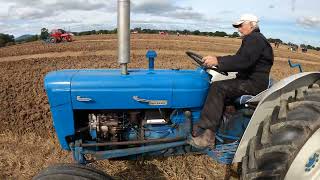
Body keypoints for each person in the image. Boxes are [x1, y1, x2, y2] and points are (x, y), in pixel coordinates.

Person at [188, 14, 274, 148]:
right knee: (220, 84)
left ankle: (208, 135)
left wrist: (218, 61)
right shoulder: (254, 39)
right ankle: (226, 123)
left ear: (252, 24)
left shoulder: (255, 39)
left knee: (218, 87)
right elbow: (239, 58)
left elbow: (243, 61)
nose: (238, 29)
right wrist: (218, 61)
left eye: (241, 25)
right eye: (238, 26)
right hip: (247, 80)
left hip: (253, 83)